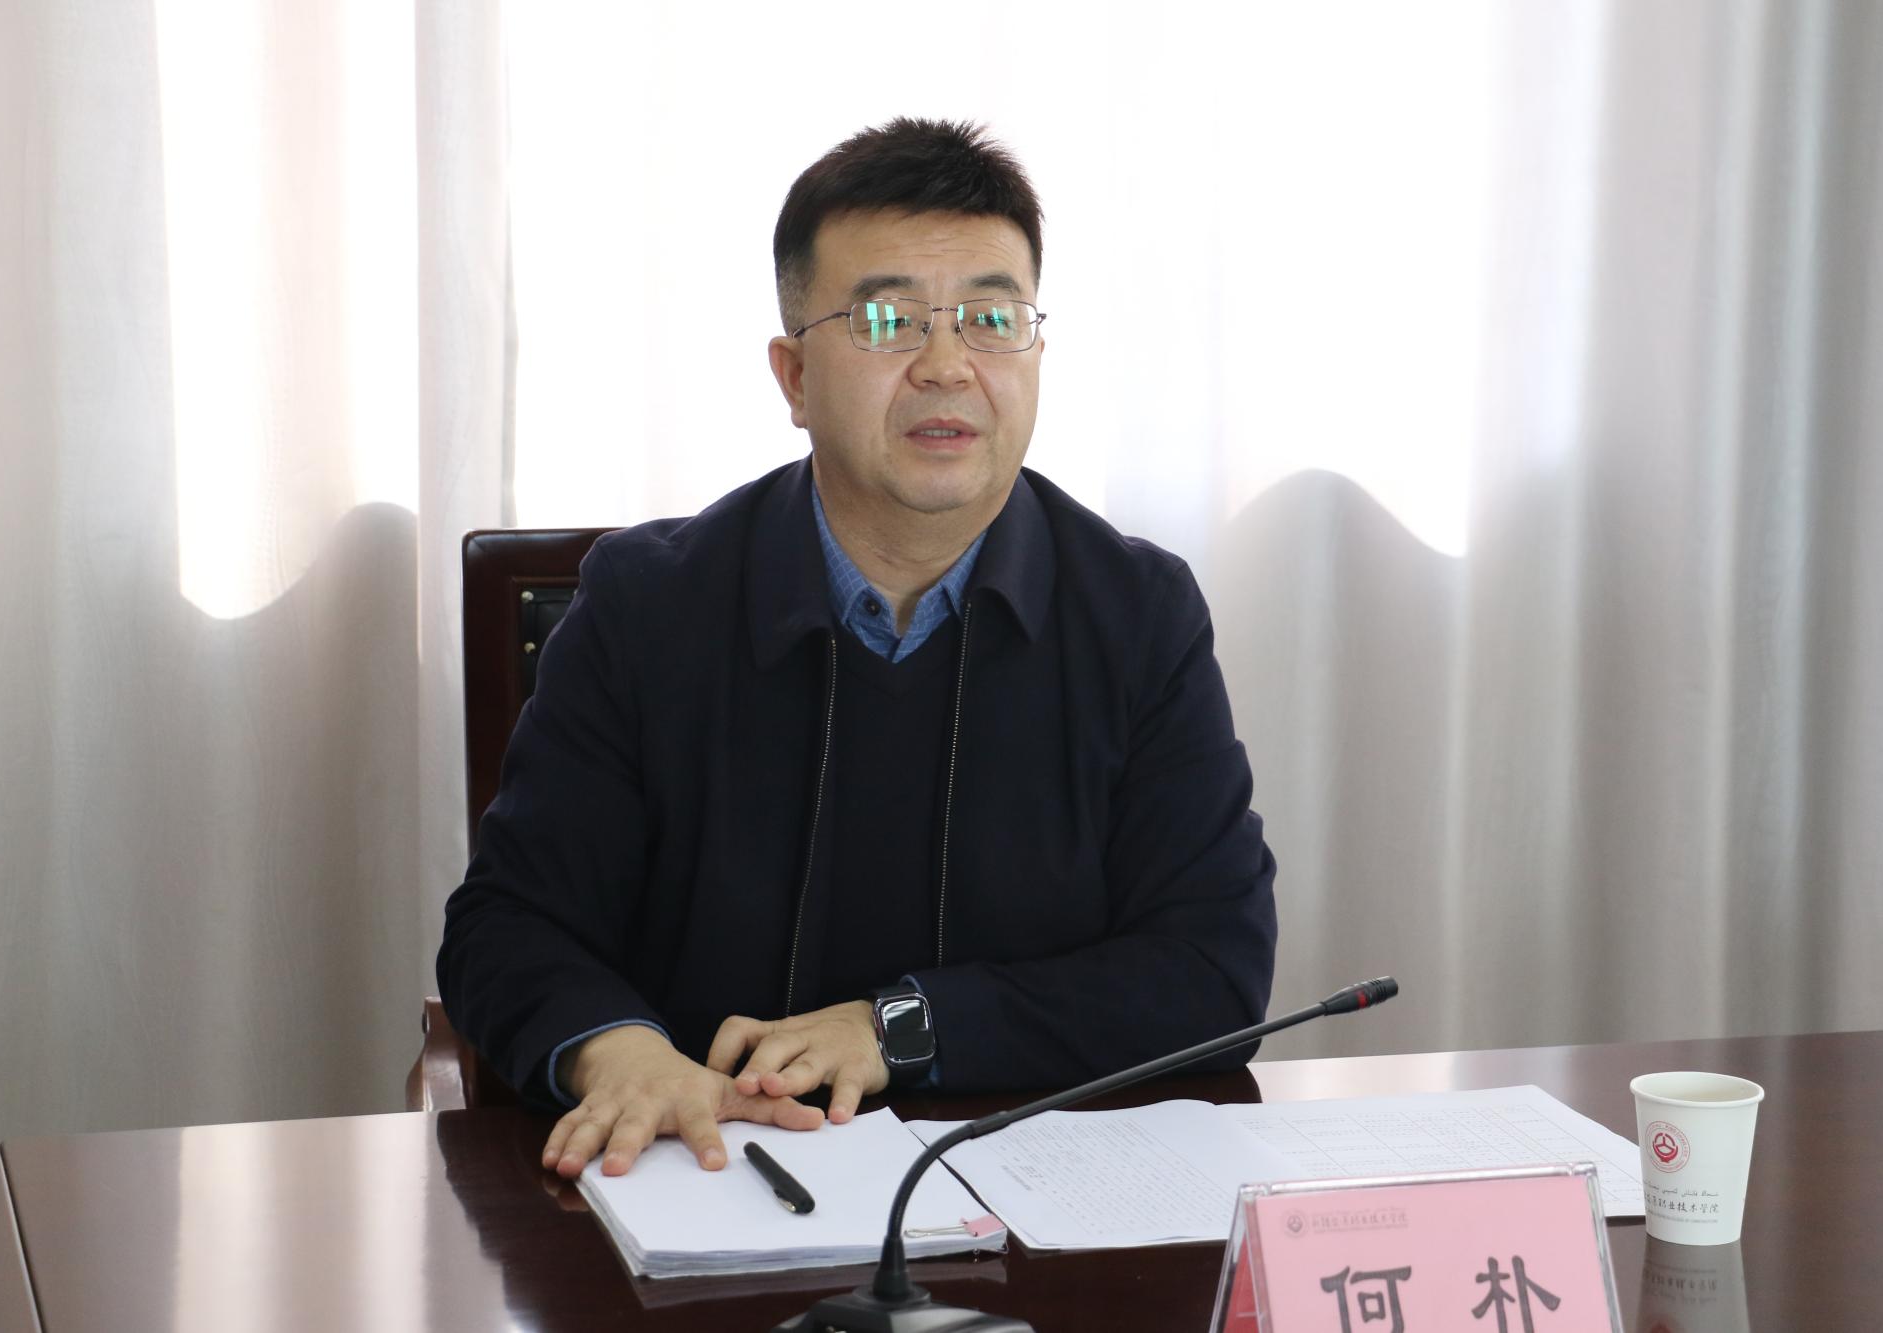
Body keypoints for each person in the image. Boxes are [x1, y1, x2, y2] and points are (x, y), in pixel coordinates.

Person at [437, 117, 1276, 1183]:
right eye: (887, 319)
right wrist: (621, 1055)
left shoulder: (1138, 613)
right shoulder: (647, 607)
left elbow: (1210, 967)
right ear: (793, 377)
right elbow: (508, 925)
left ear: (1036, 355)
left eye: (991, 318)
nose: (946, 366)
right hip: (709, 1179)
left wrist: (901, 1027)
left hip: (1034, 1198)